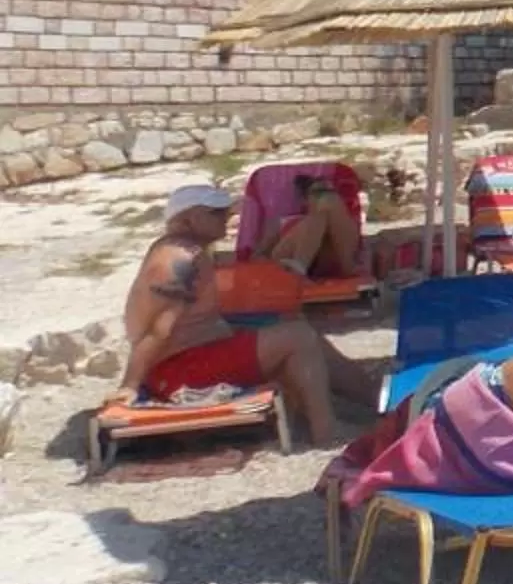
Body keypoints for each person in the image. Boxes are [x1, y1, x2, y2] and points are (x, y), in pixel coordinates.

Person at [113, 185, 378, 444]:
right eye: (217, 213)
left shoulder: (181, 249)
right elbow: (159, 330)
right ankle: (326, 431)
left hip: (194, 354)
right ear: (191, 218)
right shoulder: (178, 261)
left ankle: (380, 400)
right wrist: (130, 385)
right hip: (179, 371)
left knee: (293, 325)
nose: (226, 219)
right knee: (298, 337)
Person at [266, 174, 363, 282]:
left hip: (332, 258)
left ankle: (299, 269)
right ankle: (298, 268)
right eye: (319, 192)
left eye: (330, 191)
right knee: (317, 217)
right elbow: (257, 257)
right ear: (304, 200)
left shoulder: (342, 220)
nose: (325, 196)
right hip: (287, 260)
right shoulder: (283, 222)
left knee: (325, 211)